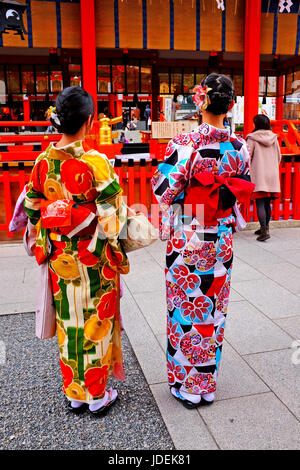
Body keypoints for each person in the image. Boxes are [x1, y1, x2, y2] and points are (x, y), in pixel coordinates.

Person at [24, 86, 129, 415]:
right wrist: (119, 246)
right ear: (89, 121)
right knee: (96, 320)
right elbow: (114, 217)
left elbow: (31, 208)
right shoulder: (95, 161)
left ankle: (75, 393)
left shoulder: (42, 162)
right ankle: (96, 395)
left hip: (59, 256)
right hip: (94, 256)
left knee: (69, 322)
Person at [152, 73, 253, 409]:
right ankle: (206, 383)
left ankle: (188, 385)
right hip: (220, 237)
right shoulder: (239, 147)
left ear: (199, 101)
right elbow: (240, 194)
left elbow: (163, 191)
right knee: (212, 308)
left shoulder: (183, 145)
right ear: (232, 105)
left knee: (183, 307)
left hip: (188, 235)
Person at [246, 114, 281, 241]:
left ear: (256, 124)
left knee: (260, 202)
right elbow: (279, 157)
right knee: (267, 202)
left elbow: (247, 156)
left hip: (259, 173)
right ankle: (265, 228)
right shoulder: (274, 138)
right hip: (272, 173)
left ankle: (264, 231)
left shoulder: (252, 138)